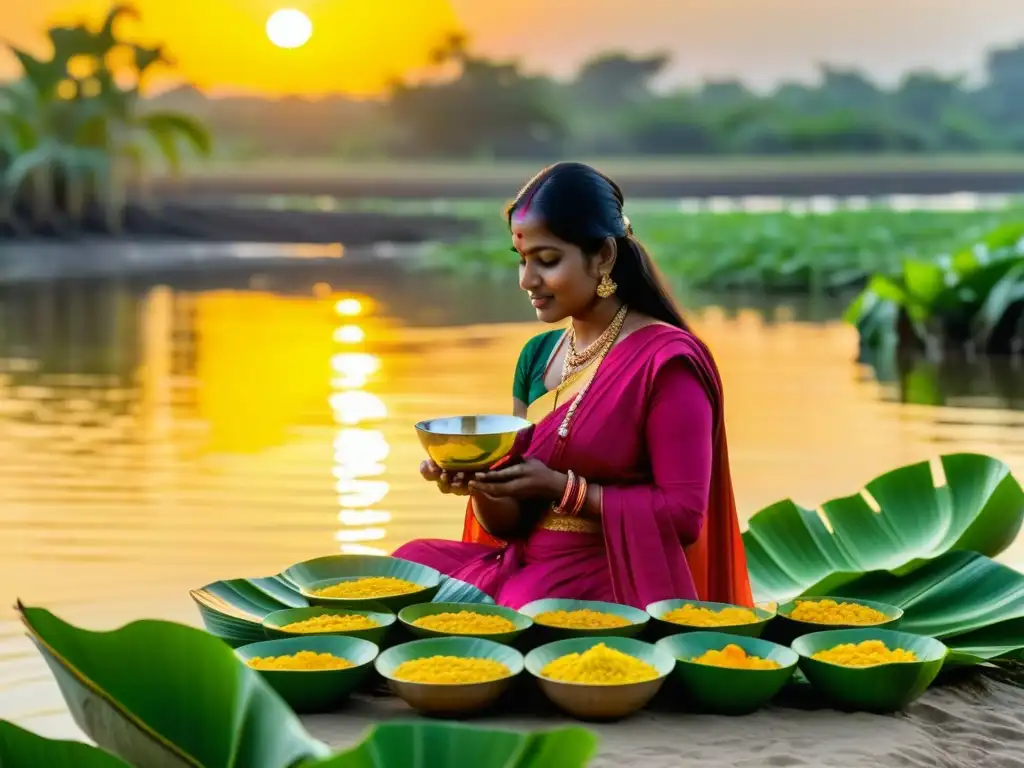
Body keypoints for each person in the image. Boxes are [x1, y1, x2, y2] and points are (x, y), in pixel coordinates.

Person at [393, 161, 753, 610]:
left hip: (615, 574)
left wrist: (563, 489)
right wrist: (480, 480)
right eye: (522, 260)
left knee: (521, 608)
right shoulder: (537, 357)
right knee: (403, 569)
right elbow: (511, 523)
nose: (527, 280)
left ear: (603, 256)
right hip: (527, 561)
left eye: (547, 261)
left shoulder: (667, 362)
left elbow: (683, 518)